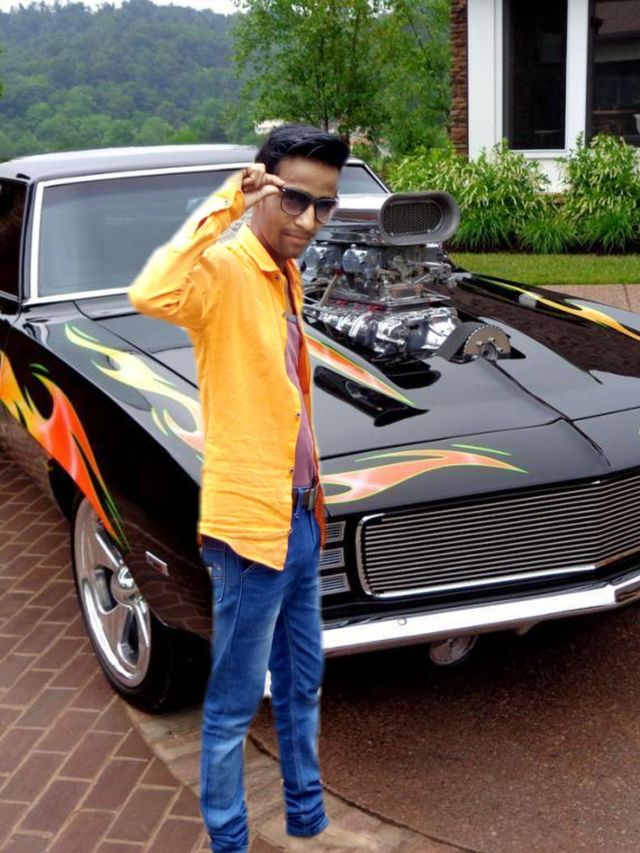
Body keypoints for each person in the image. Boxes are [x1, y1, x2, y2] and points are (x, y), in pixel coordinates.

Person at [129, 125, 378, 853]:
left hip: (298, 518)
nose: (309, 220)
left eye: (325, 205)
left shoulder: (282, 271)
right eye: (294, 199)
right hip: (248, 532)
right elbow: (151, 290)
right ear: (262, 186)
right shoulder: (227, 267)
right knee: (234, 704)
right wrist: (228, 200)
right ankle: (229, 841)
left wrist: (315, 505)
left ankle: (307, 820)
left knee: (302, 684)